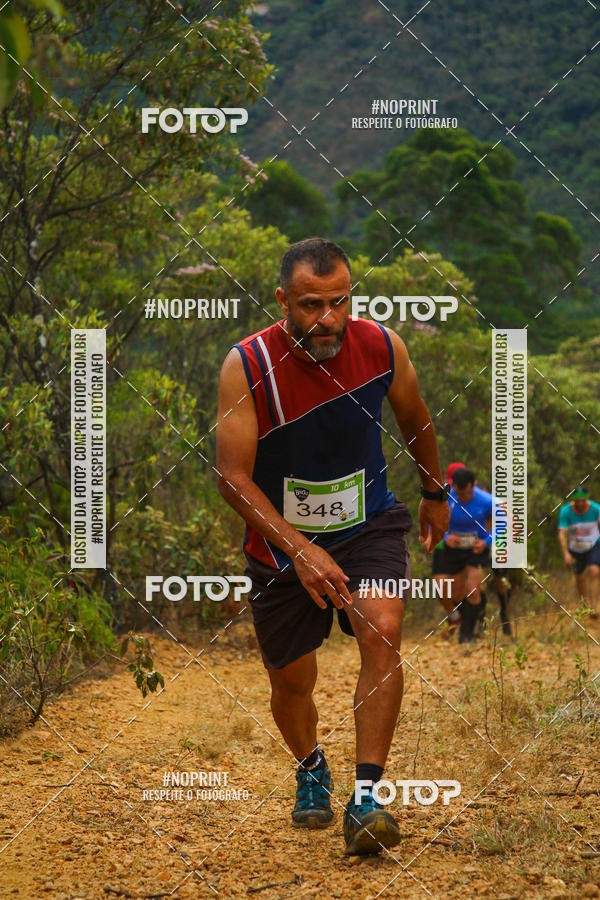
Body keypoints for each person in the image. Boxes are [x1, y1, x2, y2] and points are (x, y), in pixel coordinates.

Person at [216, 237, 449, 856]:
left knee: (383, 626)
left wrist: (434, 491)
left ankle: (367, 798)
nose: (328, 319)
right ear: (283, 301)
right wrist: (299, 549)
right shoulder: (248, 365)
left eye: (340, 302)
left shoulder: (380, 347)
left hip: (367, 523)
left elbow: (415, 417)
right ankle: (312, 764)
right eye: (312, 304)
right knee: (292, 682)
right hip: (278, 548)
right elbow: (232, 478)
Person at [437, 467, 495, 644]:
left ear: (474, 485)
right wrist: (446, 538)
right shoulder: (445, 497)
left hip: (476, 550)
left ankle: (467, 634)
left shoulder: (487, 501)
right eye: (458, 493)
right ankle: (470, 616)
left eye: (466, 494)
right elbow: (434, 522)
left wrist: (486, 542)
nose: (461, 497)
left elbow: (501, 526)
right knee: (449, 591)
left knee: (472, 590)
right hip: (453, 550)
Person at [558, 485, 600, 618]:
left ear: (587, 499)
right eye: (577, 501)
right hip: (575, 548)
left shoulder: (596, 509)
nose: (580, 503)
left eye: (583, 500)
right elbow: (562, 533)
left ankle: (593, 607)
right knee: (579, 577)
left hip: (593, 545)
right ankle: (584, 606)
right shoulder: (565, 511)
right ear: (573, 500)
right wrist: (566, 553)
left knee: (595, 571)